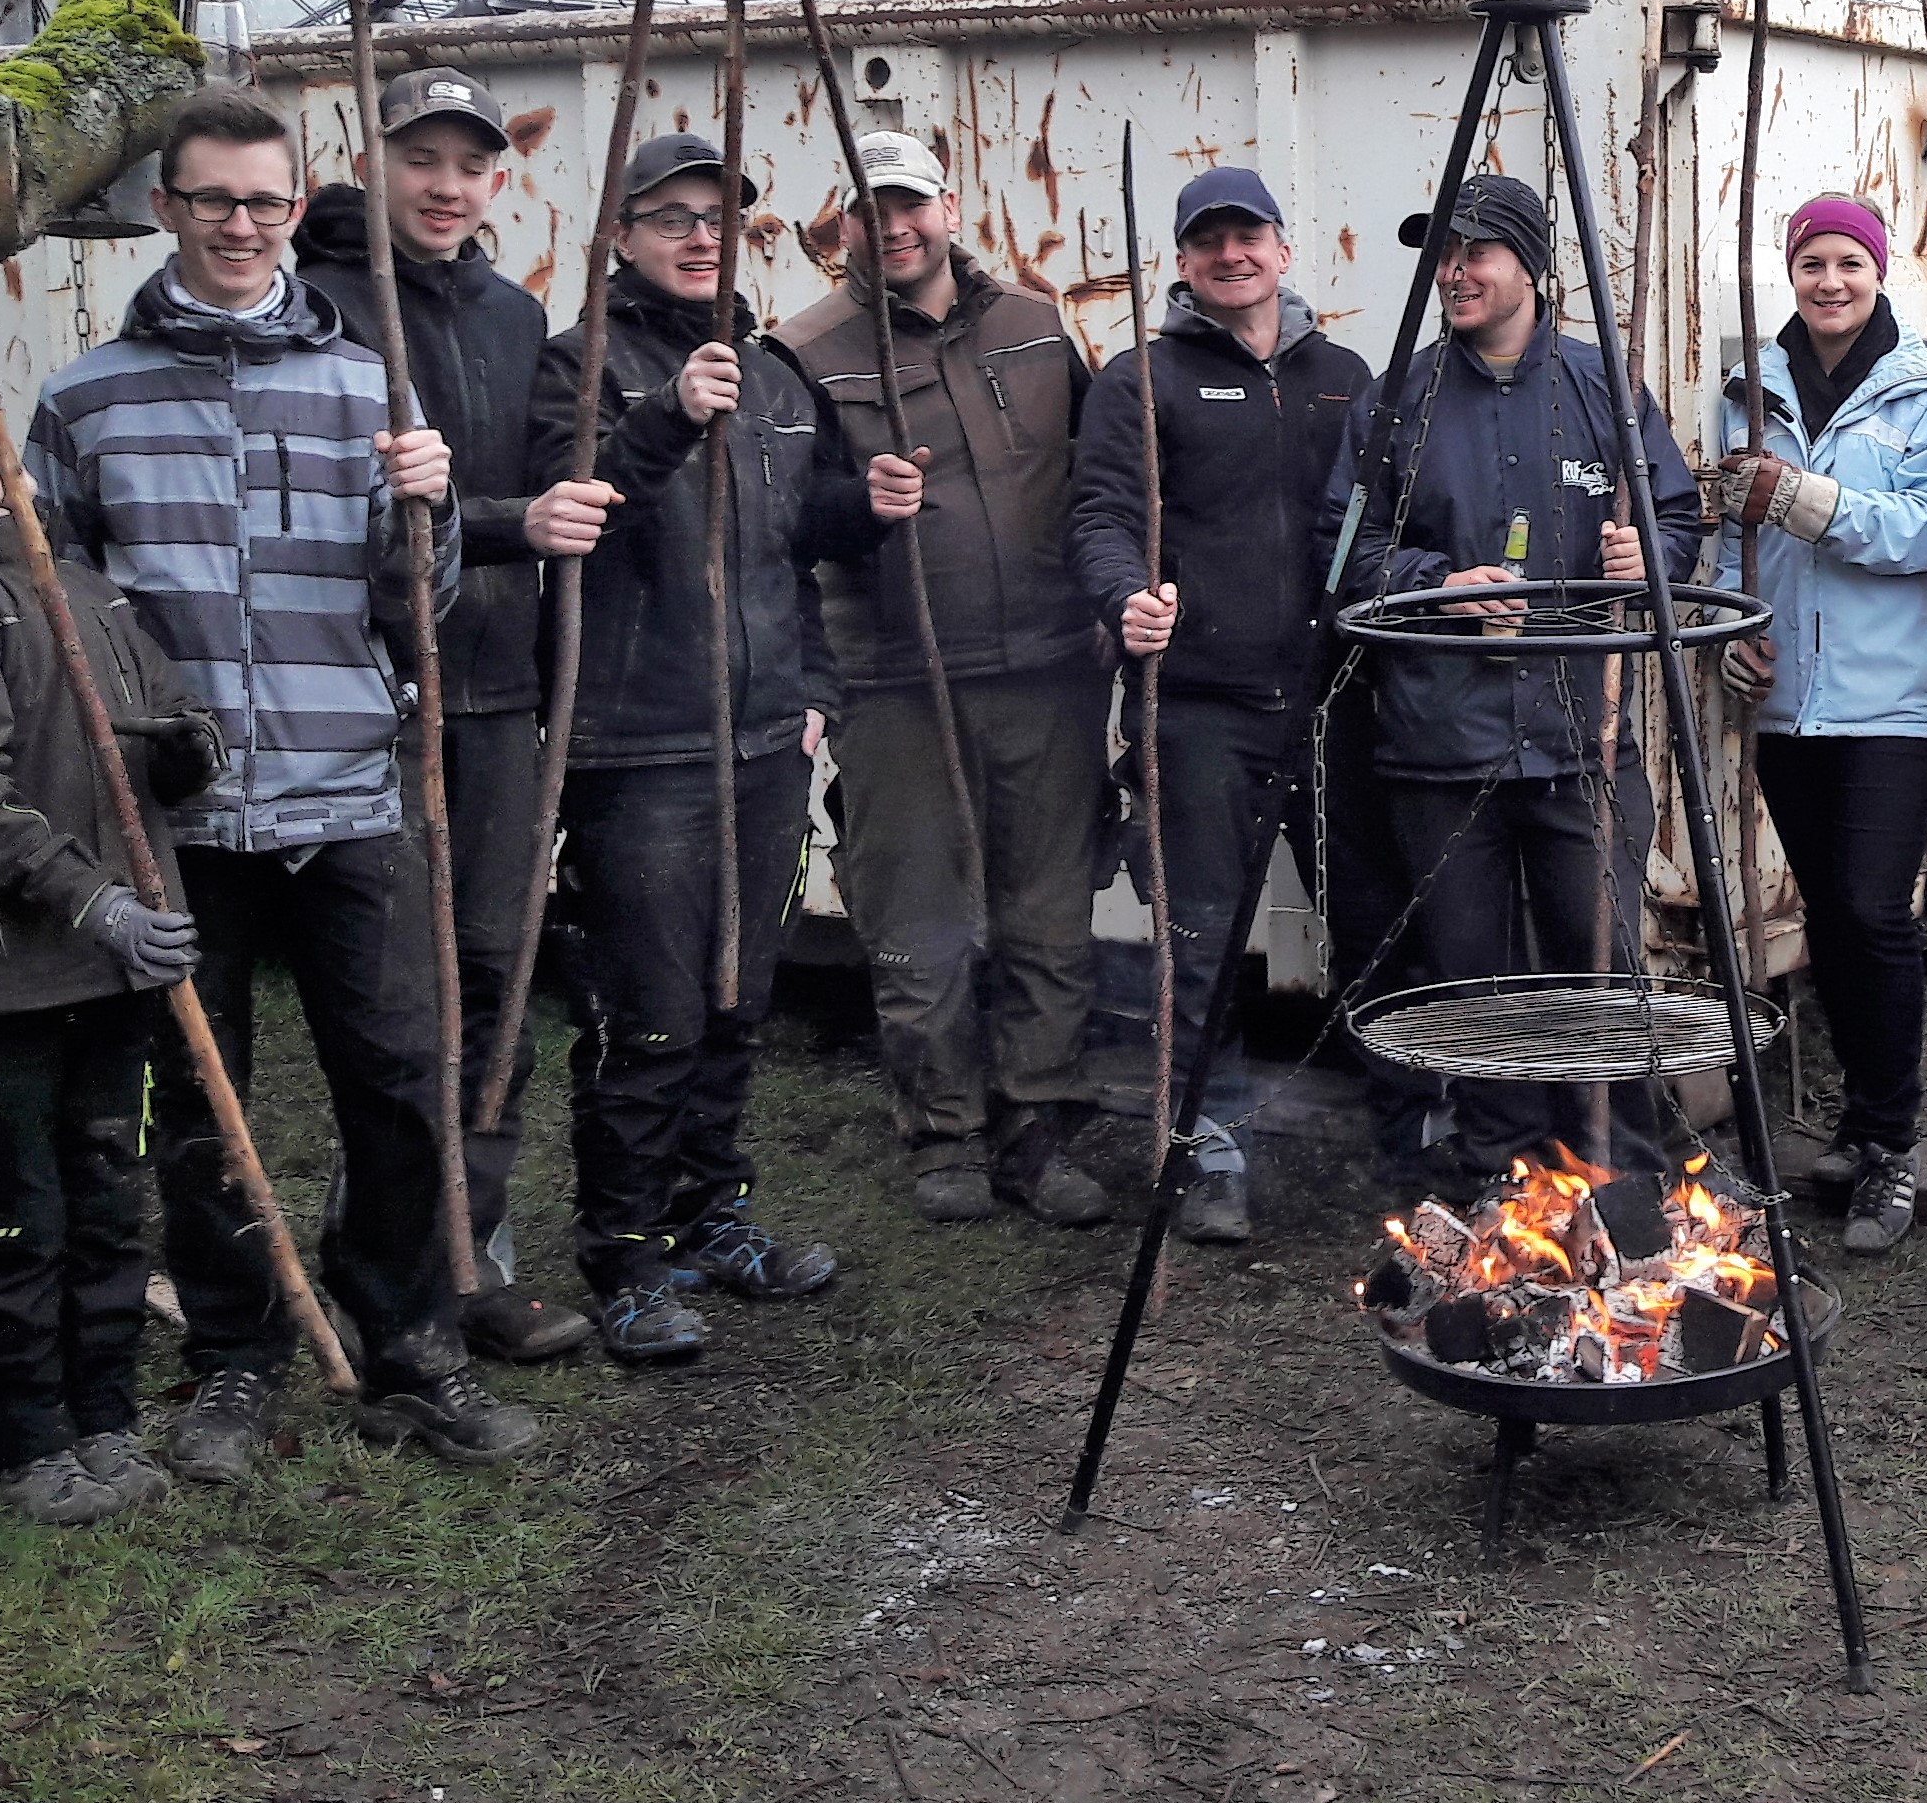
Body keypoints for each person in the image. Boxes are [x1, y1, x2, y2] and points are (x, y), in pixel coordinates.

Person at [27, 91, 537, 1476]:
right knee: (205, 1101)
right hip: (177, 816)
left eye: (264, 201)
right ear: (166, 208)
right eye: (213, 199)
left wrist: (428, 508)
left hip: (349, 794)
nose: (240, 224)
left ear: (295, 209)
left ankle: (408, 1345)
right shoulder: (85, 400)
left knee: (400, 1084)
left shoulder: (369, 387)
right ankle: (235, 1359)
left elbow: (414, 607)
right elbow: (61, 607)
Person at [527, 131, 919, 1364]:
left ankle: (710, 1217)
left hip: (762, 739)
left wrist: (869, 512)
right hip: (639, 745)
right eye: (671, 218)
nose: (700, 237)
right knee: (649, 1014)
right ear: (620, 236)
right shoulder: (579, 365)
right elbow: (571, 514)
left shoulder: (775, 371)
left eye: (718, 218)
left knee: (737, 1000)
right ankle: (625, 1255)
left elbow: (796, 541)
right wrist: (663, 419)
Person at [298, 69, 618, 1366]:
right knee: (392, 1002)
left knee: (493, 979)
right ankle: (380, 1263)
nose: (445, 184)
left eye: (469, 163)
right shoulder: (316, 305)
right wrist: (507, 524)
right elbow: (343, 509)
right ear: (371, 160)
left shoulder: (511, 310)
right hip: (368, 697)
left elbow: (543, 481)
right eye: (420, 156)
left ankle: (472, 1250)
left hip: (493, 696)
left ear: (498, 177)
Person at [0, 398, 215, 1522]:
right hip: (1, 984)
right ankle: (26, 1442)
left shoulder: (86, 592)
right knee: (19, 1216)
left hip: (109, 978)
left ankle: (103, 1413)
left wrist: (188, 750)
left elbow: (165, 708)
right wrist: (95, 901)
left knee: (108, 1200)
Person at [1323, 171, 1702, 1183]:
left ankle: (1620, 1172)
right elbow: (1344, 554)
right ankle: (1502, 1171)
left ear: (1529, 265)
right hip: (1439, 742)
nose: (1454, 272)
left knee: (1598, 962)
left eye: (1474, 251)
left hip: (1582, 735)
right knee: (1472, 975)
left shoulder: (1603, 386)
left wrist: (1649, 557)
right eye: (1441, 254)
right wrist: (1438, 585)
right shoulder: (1397, 399)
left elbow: (1675, 522)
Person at [780, 131, 1116, 1232]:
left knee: (1047, 917)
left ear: (949, 207)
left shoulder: (1034, 325)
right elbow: (780, 521)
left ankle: (1039, 1128)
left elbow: (1099, 481)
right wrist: (855, 507)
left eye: (911, 203)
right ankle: (943, 1134)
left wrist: (1111, 604)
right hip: (896, 680)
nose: (895, 227)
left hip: (1048, 672)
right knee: (916, 920)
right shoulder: (805, 350)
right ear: (842, 226)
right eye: (870, 210)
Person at [1070, 164, 1386, 1242]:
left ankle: (1407, 1127)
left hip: (1334, 698)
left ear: (1283, 250)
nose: (1230, 255)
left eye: (1247, 235)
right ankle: (1207, 1146)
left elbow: (1385, 516)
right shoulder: (1141, 378)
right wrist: (1125, 595)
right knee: (1199, 934)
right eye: (1208, 241)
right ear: (1184, 261)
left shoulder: (1344, 376)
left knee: (1373, 913)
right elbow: (1100, 515)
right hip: (1198, 705)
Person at [1708, 193, 1927, 1256]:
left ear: (1879, 273)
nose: (1829, 282)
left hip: (1890, 702)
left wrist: (1800, 499)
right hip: (1785, 698)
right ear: (1791, 273)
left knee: (1872, 910)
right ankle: (1857, 1127)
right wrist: (1728, 632)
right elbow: (1718, 530)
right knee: (1827, 913)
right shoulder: (1751, 389)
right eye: (1812, 263)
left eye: (1848, 264)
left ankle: (1889, 1142)